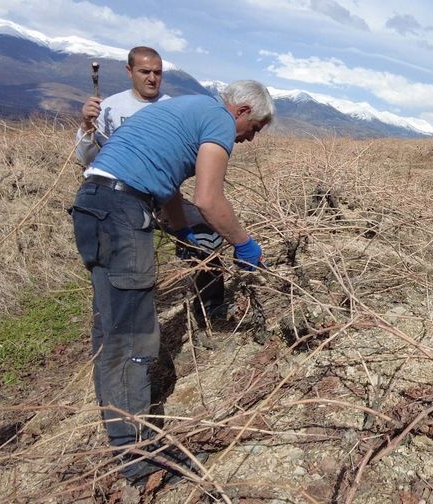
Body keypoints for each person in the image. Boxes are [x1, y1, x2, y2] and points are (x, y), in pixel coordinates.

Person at [69, 80, 274, 483]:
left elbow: (167, 185)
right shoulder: (218, 119)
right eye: (255, 130)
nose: (249, 140)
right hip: (121, 211)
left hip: (94, 202)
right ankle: (139, 459)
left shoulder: (188, 108)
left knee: (110, 329)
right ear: (243, 112)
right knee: (131, 337)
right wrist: (245, 244)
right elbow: (210, 199)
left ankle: (120, 432)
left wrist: (181, 232)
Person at [75, 46, 226, 322]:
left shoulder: (172, 106)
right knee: (120, 266)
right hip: (122, 197)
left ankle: (212, 310)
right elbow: (86, 157)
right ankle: (116, 318)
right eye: (145, 72)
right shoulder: (108, 107)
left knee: (208, 232)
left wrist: (182, 227)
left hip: (165, 196)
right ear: (129, 71)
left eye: (157, 73)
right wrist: (86, 124)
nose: (152, 78)